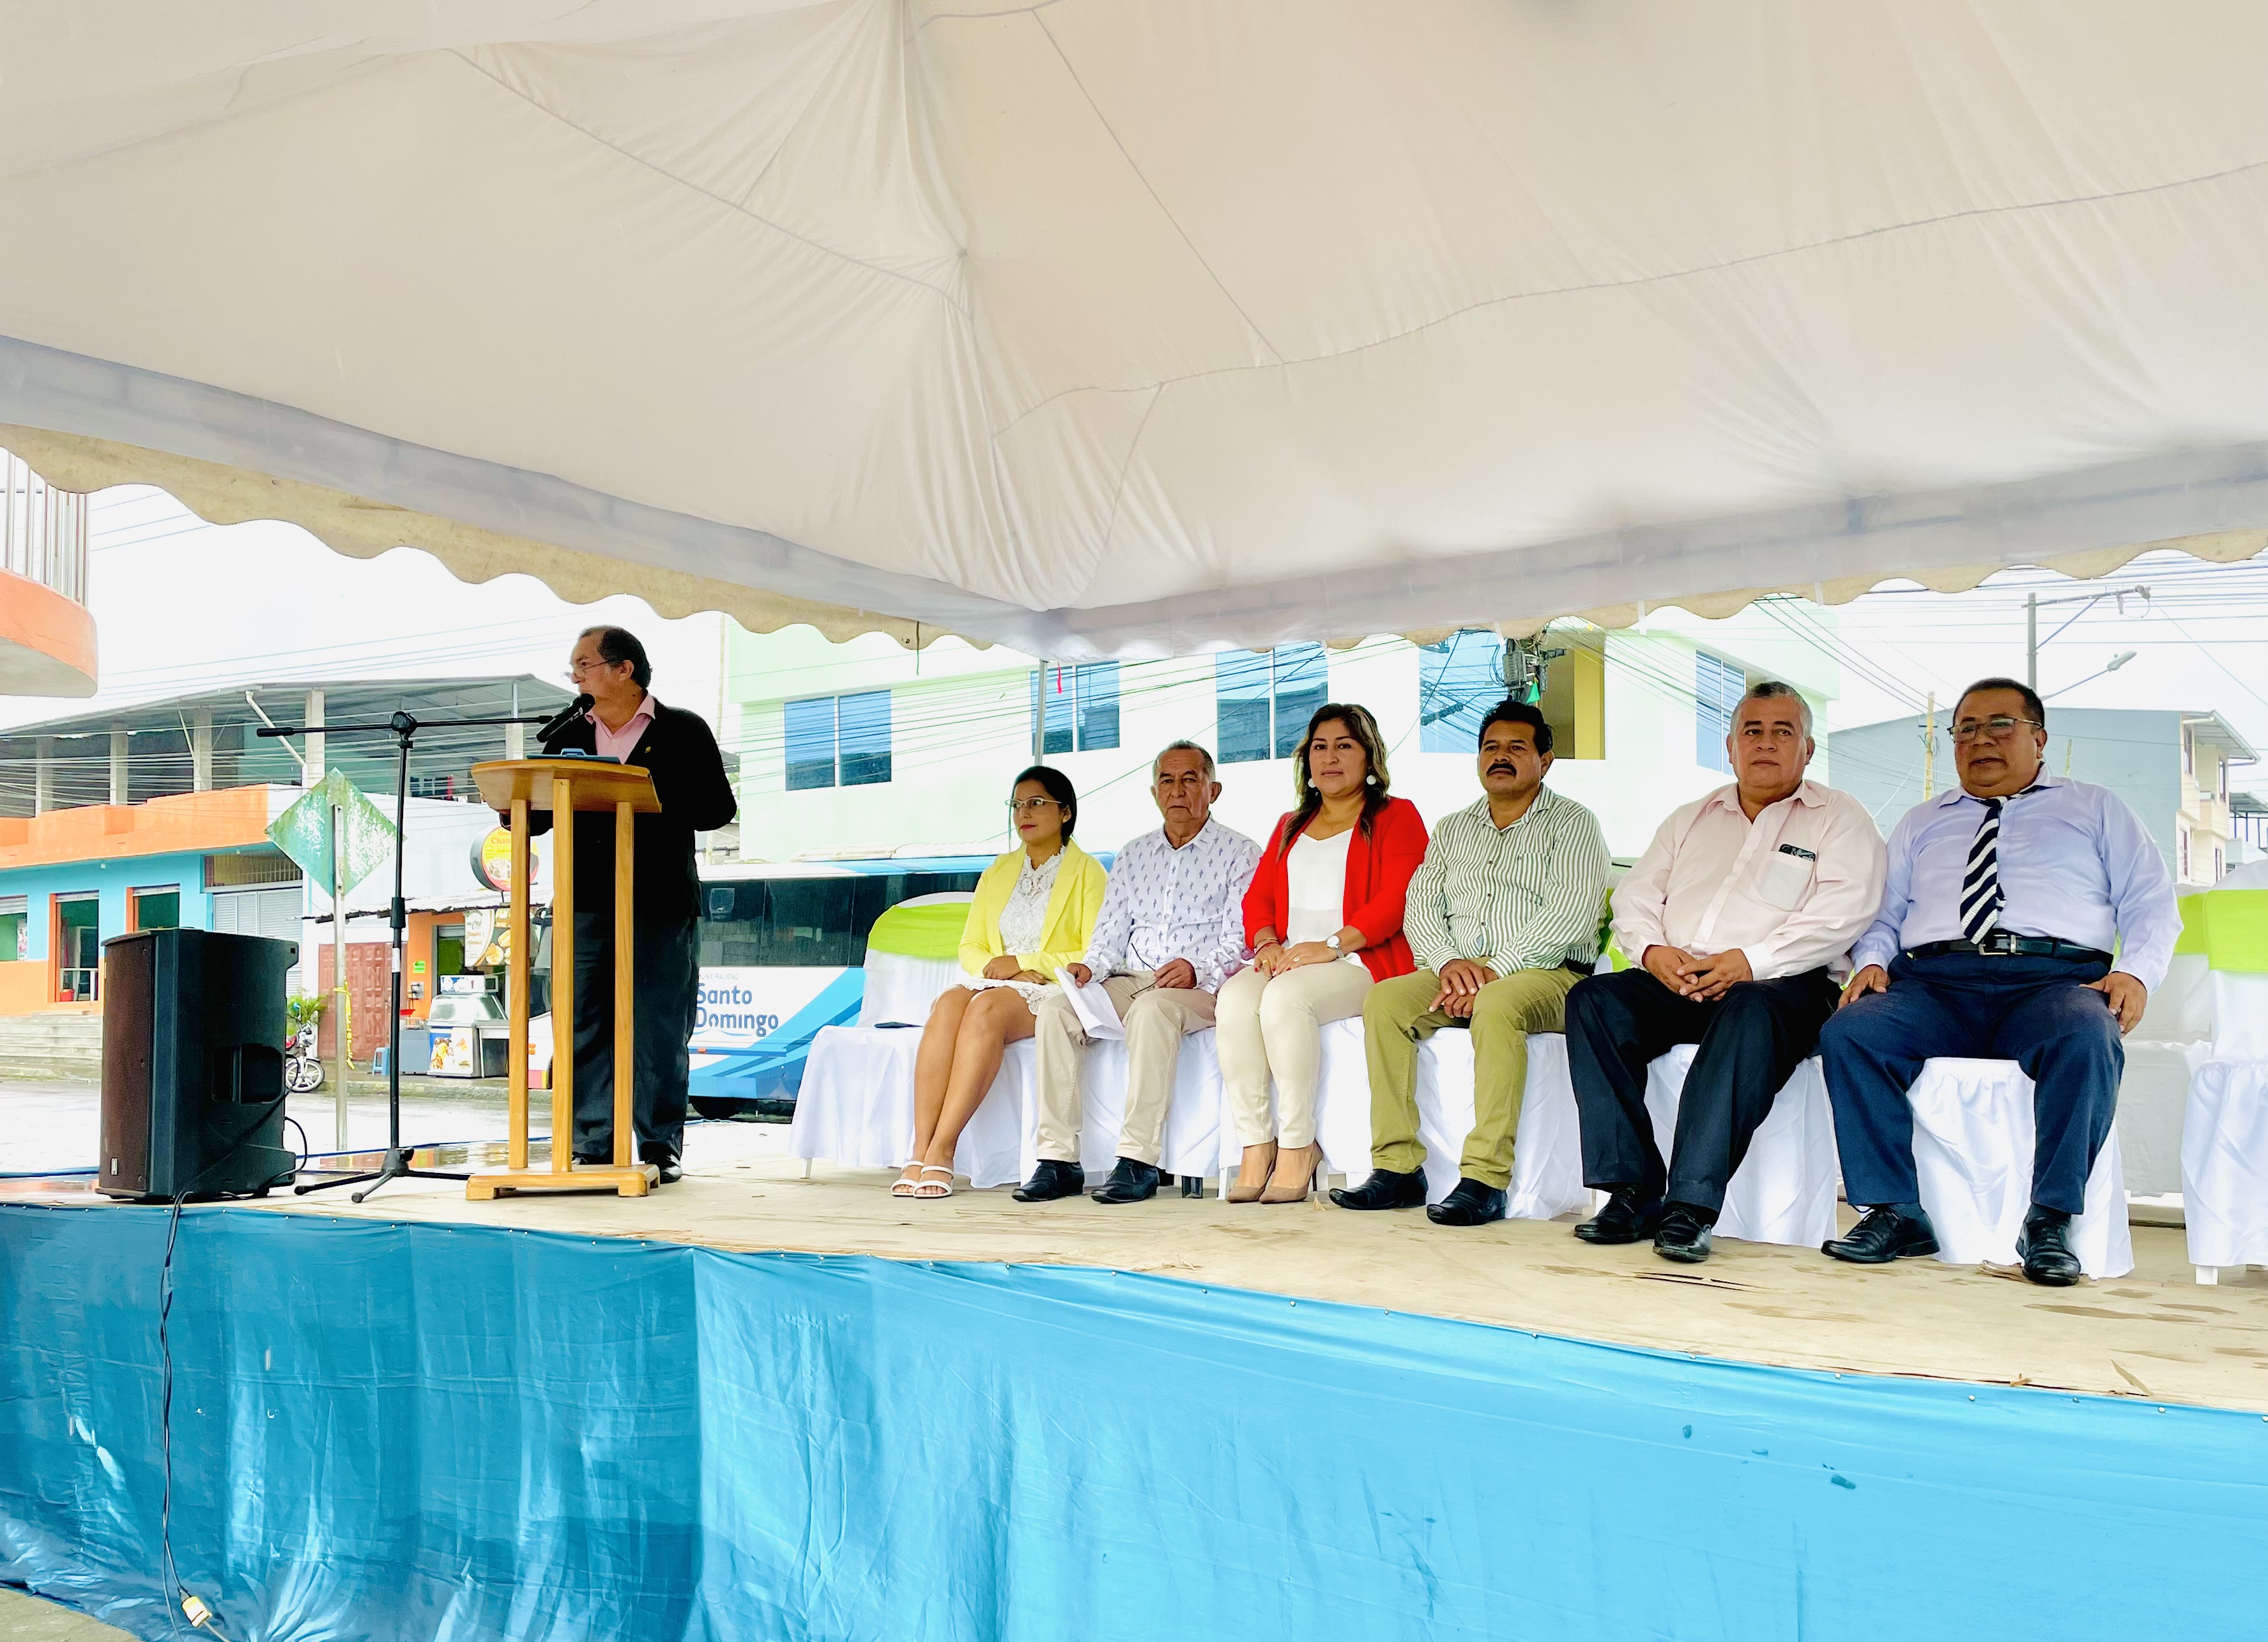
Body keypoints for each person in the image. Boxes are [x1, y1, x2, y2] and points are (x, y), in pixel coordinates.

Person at [1818, 677, 2176, 1286]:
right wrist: (1873, 960)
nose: (1981, 740)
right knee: (1851, 1033)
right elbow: (1883, 913)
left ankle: (2050, 1220)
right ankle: (1895, 1211)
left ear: (2039, 738)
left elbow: (2150, 902)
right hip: (1934, 985)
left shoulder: (2096, 808)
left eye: (2000, 725)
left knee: (2088, 1034)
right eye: (1966, 729)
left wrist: (2134, 972)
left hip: (2052, 984)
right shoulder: (1921, 821)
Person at [1565, 681, 1887, 1262]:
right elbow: (1637, 897)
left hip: (1784, 987)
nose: (1766, 743)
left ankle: (1690, 1206)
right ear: (1731, 747)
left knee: (1750, 1004)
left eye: (1783, 732)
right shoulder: (1691, 818)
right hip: (1681, 978)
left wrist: (1751, 963)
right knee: (1595, 1000)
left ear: (1808, 750)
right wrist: (1653, 953)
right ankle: (1632, 1191)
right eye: (1752, 731)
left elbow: (1843, 913)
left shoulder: (1839, 818)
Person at [1332, 699, 1608, 1225]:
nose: (1500, 757)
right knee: (1386, 1000)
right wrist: (1447, 963)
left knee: (1498, 1003)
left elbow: (1569, 916)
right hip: (1458, 970)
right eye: (1490, 747)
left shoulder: (1574, 824)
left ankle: (1485, 1179)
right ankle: (1397, 1168)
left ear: (1545, 761)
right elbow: (1421, 906)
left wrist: (1493, 970)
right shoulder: (1453, 828)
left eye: (1516, 748)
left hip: (1549, 973)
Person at [516, 626, 736, 1183]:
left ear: (624, 669)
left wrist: (645, 791)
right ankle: (593, 1145)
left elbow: (717, 809)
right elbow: (536, 816)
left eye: (583, 664)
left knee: (658, 1029)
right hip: (585, 904)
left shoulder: (683, 729)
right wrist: (514, 800)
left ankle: (660, 1146)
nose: (574, 677)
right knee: (584, 1024)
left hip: (659, 904)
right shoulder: (570, 732)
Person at [1015, 741, 1264, 1205]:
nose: (1177, 791)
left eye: (1190, 779)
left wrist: (1196, 968)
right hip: (1133, 978)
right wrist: (1089, 967)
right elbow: (1109, 935)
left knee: (1152, 1010)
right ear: (1154, 793)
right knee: (1056, 1010)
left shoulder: (1241, 853)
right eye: (1167, 781)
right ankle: (1058, 1160)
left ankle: (1138, 1160)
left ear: (1213, 790)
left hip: (1205, 985)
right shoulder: (1134, 854)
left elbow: (1243, 941)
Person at [1220, 704, 1428, 1202]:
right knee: (1234, 1000)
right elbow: (1258, 899)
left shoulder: (1396, 816)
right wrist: (1268, 942)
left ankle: (1298, 1145)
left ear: (1369, 757)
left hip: (1360, 960)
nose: (1329, 758)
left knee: (1285, 999)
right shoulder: (1290, 824)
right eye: (1319, 747)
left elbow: (1398, 898)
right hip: (1289, 956)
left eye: (1344, 746)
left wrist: (1331, 945)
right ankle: (1257, 1143)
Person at [893, 766, 1107, 1199]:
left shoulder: (1089, 873)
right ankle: (919, 1150)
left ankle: (944, 1149)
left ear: (1065, 812)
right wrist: (1000, 967)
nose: (1023, 813)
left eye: (1037, 803)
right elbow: (970, 945)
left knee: (985, 1010)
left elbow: (1094, 950)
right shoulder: (998, 870)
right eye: (1017, 804)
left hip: (1055, 987)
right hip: (998, 981)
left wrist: (1024, 964)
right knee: (947, 1004)